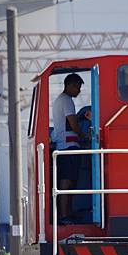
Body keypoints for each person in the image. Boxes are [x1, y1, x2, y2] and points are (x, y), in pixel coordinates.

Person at [52, 73, 87, 224]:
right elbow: (72, 123)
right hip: (68, 146)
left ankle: (68, 213)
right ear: (70, 85)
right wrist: (84, 135)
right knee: (67, 181)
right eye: (78, 87)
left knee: (70, 181)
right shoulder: (66, 101)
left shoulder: (61, 100)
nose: (79, 91)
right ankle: (65, 215)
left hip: (65, 145)